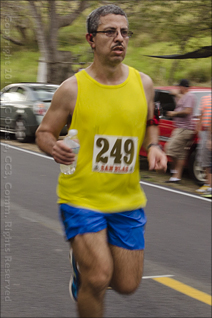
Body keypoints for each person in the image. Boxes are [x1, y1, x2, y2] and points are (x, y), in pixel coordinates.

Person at [36, 4, 167, 318]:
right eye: (110, 31)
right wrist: (54, 147)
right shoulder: (72, 89)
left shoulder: (144, 84)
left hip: (126, 199)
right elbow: (44, 132)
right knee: (98, 276)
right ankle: (87, 274)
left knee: (126, 283)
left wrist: (155, 146)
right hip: (81, 198)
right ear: (91, 39)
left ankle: (82, 273)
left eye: (124, 32)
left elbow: (151, 121)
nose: (119, 38)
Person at [165, 79, 196, 183]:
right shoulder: (185, 97)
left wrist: (174, 114)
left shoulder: (190, 96)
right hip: (181, 128)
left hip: (184, 128)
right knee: (180, 153)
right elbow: (181, 104)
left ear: (183, 87)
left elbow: (187, 111)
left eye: (179, 87)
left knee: (170, 148)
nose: (178, 88)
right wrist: (176, 95)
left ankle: (174, 170)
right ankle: (176, 176)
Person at [195, 94, 212, 196]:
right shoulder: (205, 98)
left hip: (208, 131)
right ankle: (207, 184)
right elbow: (201, 115)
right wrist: (198, 129)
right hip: (206, 130)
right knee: (205, 157)